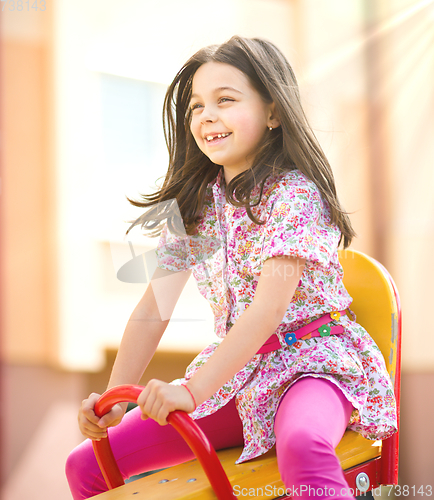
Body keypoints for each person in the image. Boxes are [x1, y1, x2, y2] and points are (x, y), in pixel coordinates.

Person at [66, 36, 397, 499]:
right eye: (197, 106)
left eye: (226, 100)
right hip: (239, 379)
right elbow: (153, 309)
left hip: (311, 365)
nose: (207, 115)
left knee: (302, 444)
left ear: (274, 113)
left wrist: (194, 390)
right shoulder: (197, 209)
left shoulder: (294, 195)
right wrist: (113, 399)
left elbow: (266, 312)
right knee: (88, 464)